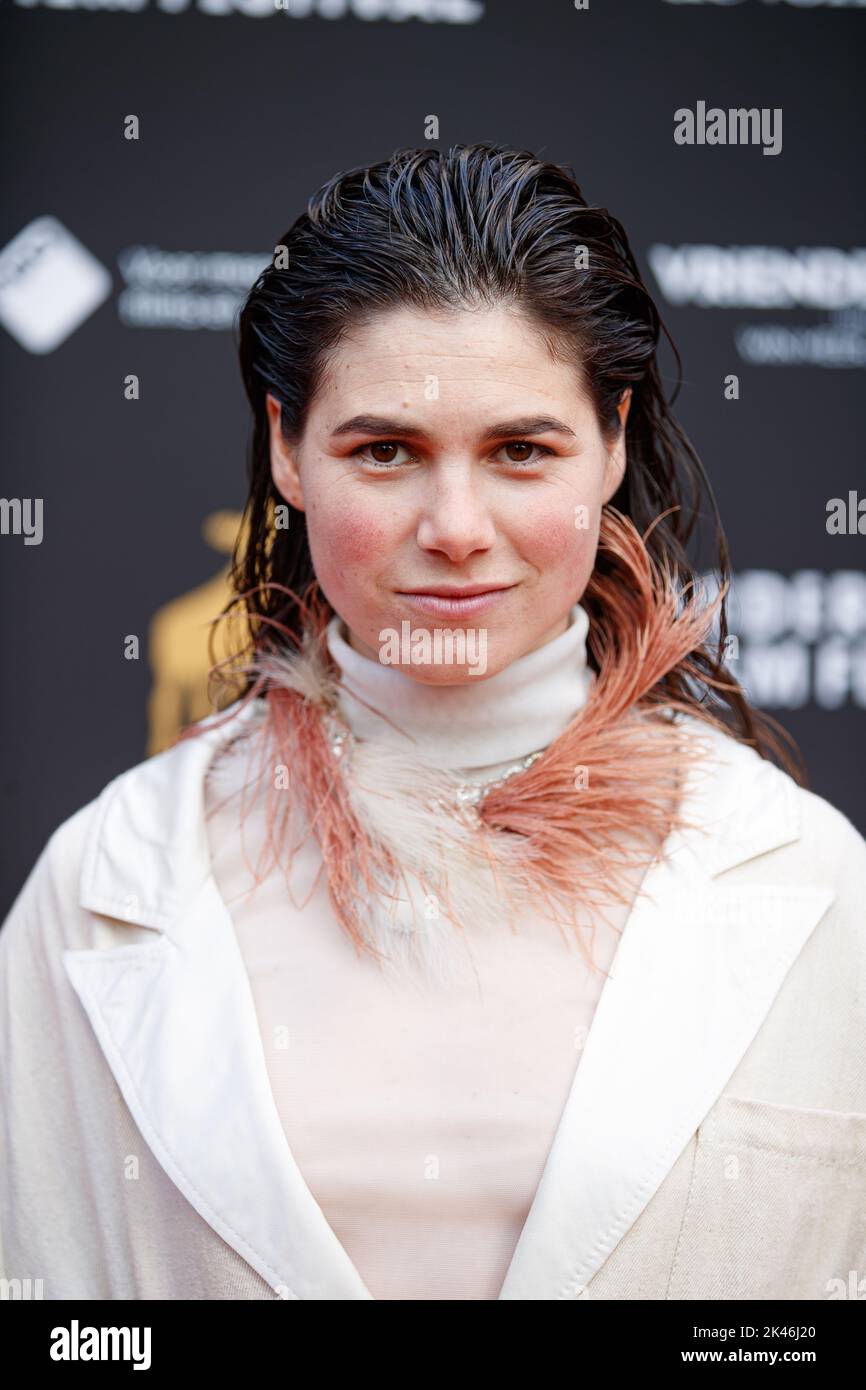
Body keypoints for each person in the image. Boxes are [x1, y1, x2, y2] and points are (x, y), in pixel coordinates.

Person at [2, 143, 865, 1303]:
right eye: (385, 451)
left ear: (608, 444)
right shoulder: (112, 879)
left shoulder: (808, 877)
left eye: (520, 449)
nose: (454, 526)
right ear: (286, 449)